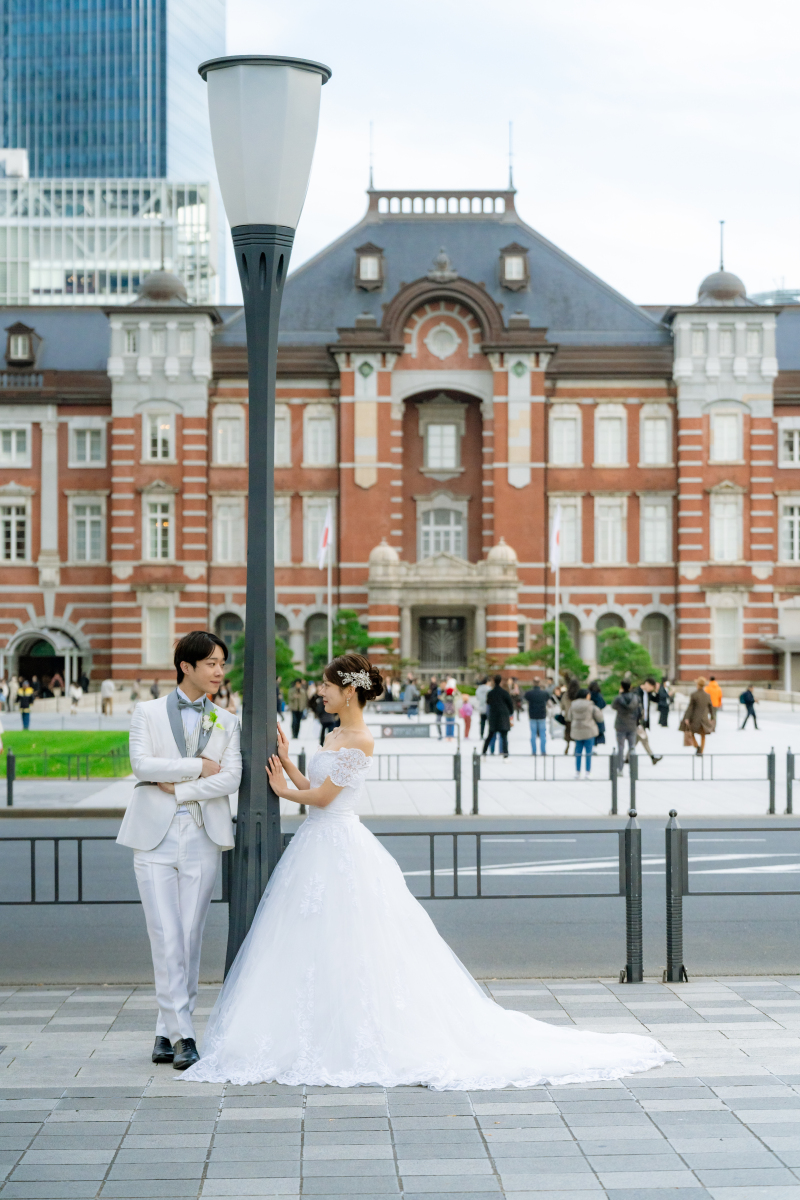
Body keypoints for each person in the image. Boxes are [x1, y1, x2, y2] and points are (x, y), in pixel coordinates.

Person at [183, 651, 672, 1088]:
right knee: (317, 938)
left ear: (348, 691)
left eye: (328, 686)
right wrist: (289, 765)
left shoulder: (361, 739)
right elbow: (318, 783)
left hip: (338, 840)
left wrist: (287, 790)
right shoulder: (334, 732)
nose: (322, 693)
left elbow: (325, 798)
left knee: (353, 938)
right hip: (318, 841)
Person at [117, 630, 242, 1072]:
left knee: (189, 935)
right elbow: (141, 766)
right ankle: (184, 1034)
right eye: (211, 663)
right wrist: (196, 767)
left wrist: (180, 786)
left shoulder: (227, 720)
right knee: (164, 933)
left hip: (203, 836)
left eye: (222, 664)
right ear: (186, 666)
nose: (219, 671)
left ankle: (165, 1027)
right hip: (153, 837)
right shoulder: (146, 712)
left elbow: (231, 779)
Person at [569, 688, 604, 778]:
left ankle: (577, 772)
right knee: (589, 752)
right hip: (589, 730)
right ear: (586, 695)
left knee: (578, 751)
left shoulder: (573, 704)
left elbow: (569, 716)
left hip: (577, 730)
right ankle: (588, 772)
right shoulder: (590, 705)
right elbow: (600, 717)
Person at [681, 677, 716, 755]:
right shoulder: (707, 695)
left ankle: (697, 746)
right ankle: (701, 751)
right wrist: (713, 717)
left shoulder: (694, 694)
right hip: (704, 718)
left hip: (695, 718)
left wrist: (686, 717)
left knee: (692, 733)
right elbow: (711, 707)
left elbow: (690, 707)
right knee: (703, 735)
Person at [482, 674, 514, 758]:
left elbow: (488, 703)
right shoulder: (505, 693)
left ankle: (484, 752)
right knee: (504, 737)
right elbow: (510, 705)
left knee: (490, 735)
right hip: (503, 716)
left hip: (494, 716)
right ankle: (505, 754)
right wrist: (510, 713)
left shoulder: (491, 693)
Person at [634, 678, 663, 766]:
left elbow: (657, 700)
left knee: (636, 740)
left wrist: (657, 691)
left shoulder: (648, 693)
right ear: (647, 684)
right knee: (644, 739)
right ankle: (653, 757)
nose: (652, 689)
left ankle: (627, 758)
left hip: (644, 721)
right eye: (652, 687)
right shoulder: (637, 692)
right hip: (637, 721)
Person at [612, 681, 640, 767]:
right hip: (632, 724)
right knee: (632, 747)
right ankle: (632, 768)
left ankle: (620, 768)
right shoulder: (636, 698)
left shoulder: (618, 698)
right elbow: (639, 711)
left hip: (620, 725)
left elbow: (613, 706)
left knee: (620, 747)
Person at [524, 677, 549, 756]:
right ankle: (543, 751)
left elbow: (525, 698)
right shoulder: (544, 693)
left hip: (532, 715)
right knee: (542, 734)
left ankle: (534, 751)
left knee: (533, 734)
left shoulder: (529, 693)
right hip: (542, 715)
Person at [589, 680, 607, 746]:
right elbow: (604, 704)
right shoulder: (599, 695)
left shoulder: (588, 695)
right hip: (598, 715)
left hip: (590, 715)